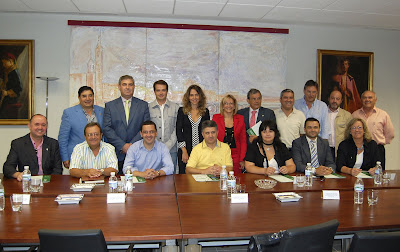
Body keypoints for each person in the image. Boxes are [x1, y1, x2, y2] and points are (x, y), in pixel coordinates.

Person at [103, 75, 150, 174]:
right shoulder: (110, 106)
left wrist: (131, 146)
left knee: (139, 185)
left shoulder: (143, 105)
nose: (127, 87)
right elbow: (107, 128)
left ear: (134, 87)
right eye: (124, 84)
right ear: (119, 86)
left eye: (130, 84)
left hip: (138, 152)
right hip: (117, 152)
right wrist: (122, 145)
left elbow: (145, 128)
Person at [3, 114, 62, 180]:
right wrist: (18, 175)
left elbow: (58, 169)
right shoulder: (18, 144)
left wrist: (49, 181)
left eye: (43, 125)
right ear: (29, 126)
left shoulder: (53, 144)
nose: (40, 128)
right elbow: (8, 167)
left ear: (47, 126)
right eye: (36, 124)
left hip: (48, 183)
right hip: (27, 182)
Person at [58, 86, 104, 169]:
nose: (87, 98)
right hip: (78, 156)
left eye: (90, 95)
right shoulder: (69, 113)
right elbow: (63, 138)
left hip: (99, 156)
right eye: (84, 96)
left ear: (93, 97)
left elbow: (105, 134)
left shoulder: (102, 111)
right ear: (79, 98)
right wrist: (65, 157)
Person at [352, 91, 394, 170]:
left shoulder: (383, 114)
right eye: (364, 98)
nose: (367, 100)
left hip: (378, 149)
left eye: (370, 97)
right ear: (361, 100)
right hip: (359, 149)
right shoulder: (355, 115)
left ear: (375, 100)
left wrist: (380, 142)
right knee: (360, 173)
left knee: (377, 174)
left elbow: (390, 133)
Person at [176, 84, 210, 174]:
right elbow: (178, 131)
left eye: (196, 95)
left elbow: (207, 132)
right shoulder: (182, 111)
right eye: (191, 95)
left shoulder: (205, 112)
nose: (194, 97)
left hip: (201, 152)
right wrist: (184, 151)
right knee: (184, 179)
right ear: (188, 97)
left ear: (200, 96)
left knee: (201, 178)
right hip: (185, 151)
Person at [148, 80, 179, 173]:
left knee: (170, 177)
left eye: (163, 90)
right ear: (154, 92)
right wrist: (157, 145)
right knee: (153, 176)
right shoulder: (148, 107)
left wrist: (168, 145)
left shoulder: (175, 107)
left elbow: (177, 128)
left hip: (171, 149)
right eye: (158, 90)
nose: (161, 93)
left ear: (167, 91)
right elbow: (148, 129)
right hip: (153, 149)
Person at [212, 94, 246, 174]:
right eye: (226, 103)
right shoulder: (216, 118)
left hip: (235, 155)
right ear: (223, 106)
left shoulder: (240, 119)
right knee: (219, 177)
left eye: (231, 103)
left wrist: (242, 159)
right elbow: (212, 138)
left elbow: (243, 140)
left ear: (234, 106)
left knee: (235, 179)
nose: (229, 106)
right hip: (219, 153)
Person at [327, 90, 352, 159]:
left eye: (337, 99)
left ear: (341, 100)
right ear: (329, 99)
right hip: (325, 149)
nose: (334, 101)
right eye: (332, 98)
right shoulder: (322, 113)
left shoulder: (347, 115)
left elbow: (350, 135)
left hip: (340, 150)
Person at [0, 53, 22, 119]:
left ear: (10, 61)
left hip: (11, 100)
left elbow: (19, 88)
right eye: (3, 63)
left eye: (4, 63)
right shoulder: (7, 72)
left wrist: (7, 93)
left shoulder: (14, 72)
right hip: (6, 98)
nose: (3, 65)